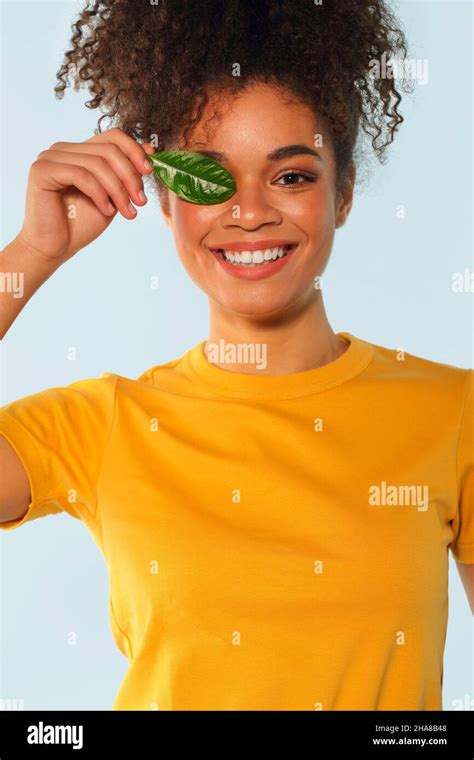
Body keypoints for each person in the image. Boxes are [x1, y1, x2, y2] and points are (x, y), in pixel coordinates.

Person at [0, 0, 472, 711]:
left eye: (291, 176)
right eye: (209, 179)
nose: (248, 212)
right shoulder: (106, 423)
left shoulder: (455, 412)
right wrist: (30, 255)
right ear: (165, 202)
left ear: (342, 194)